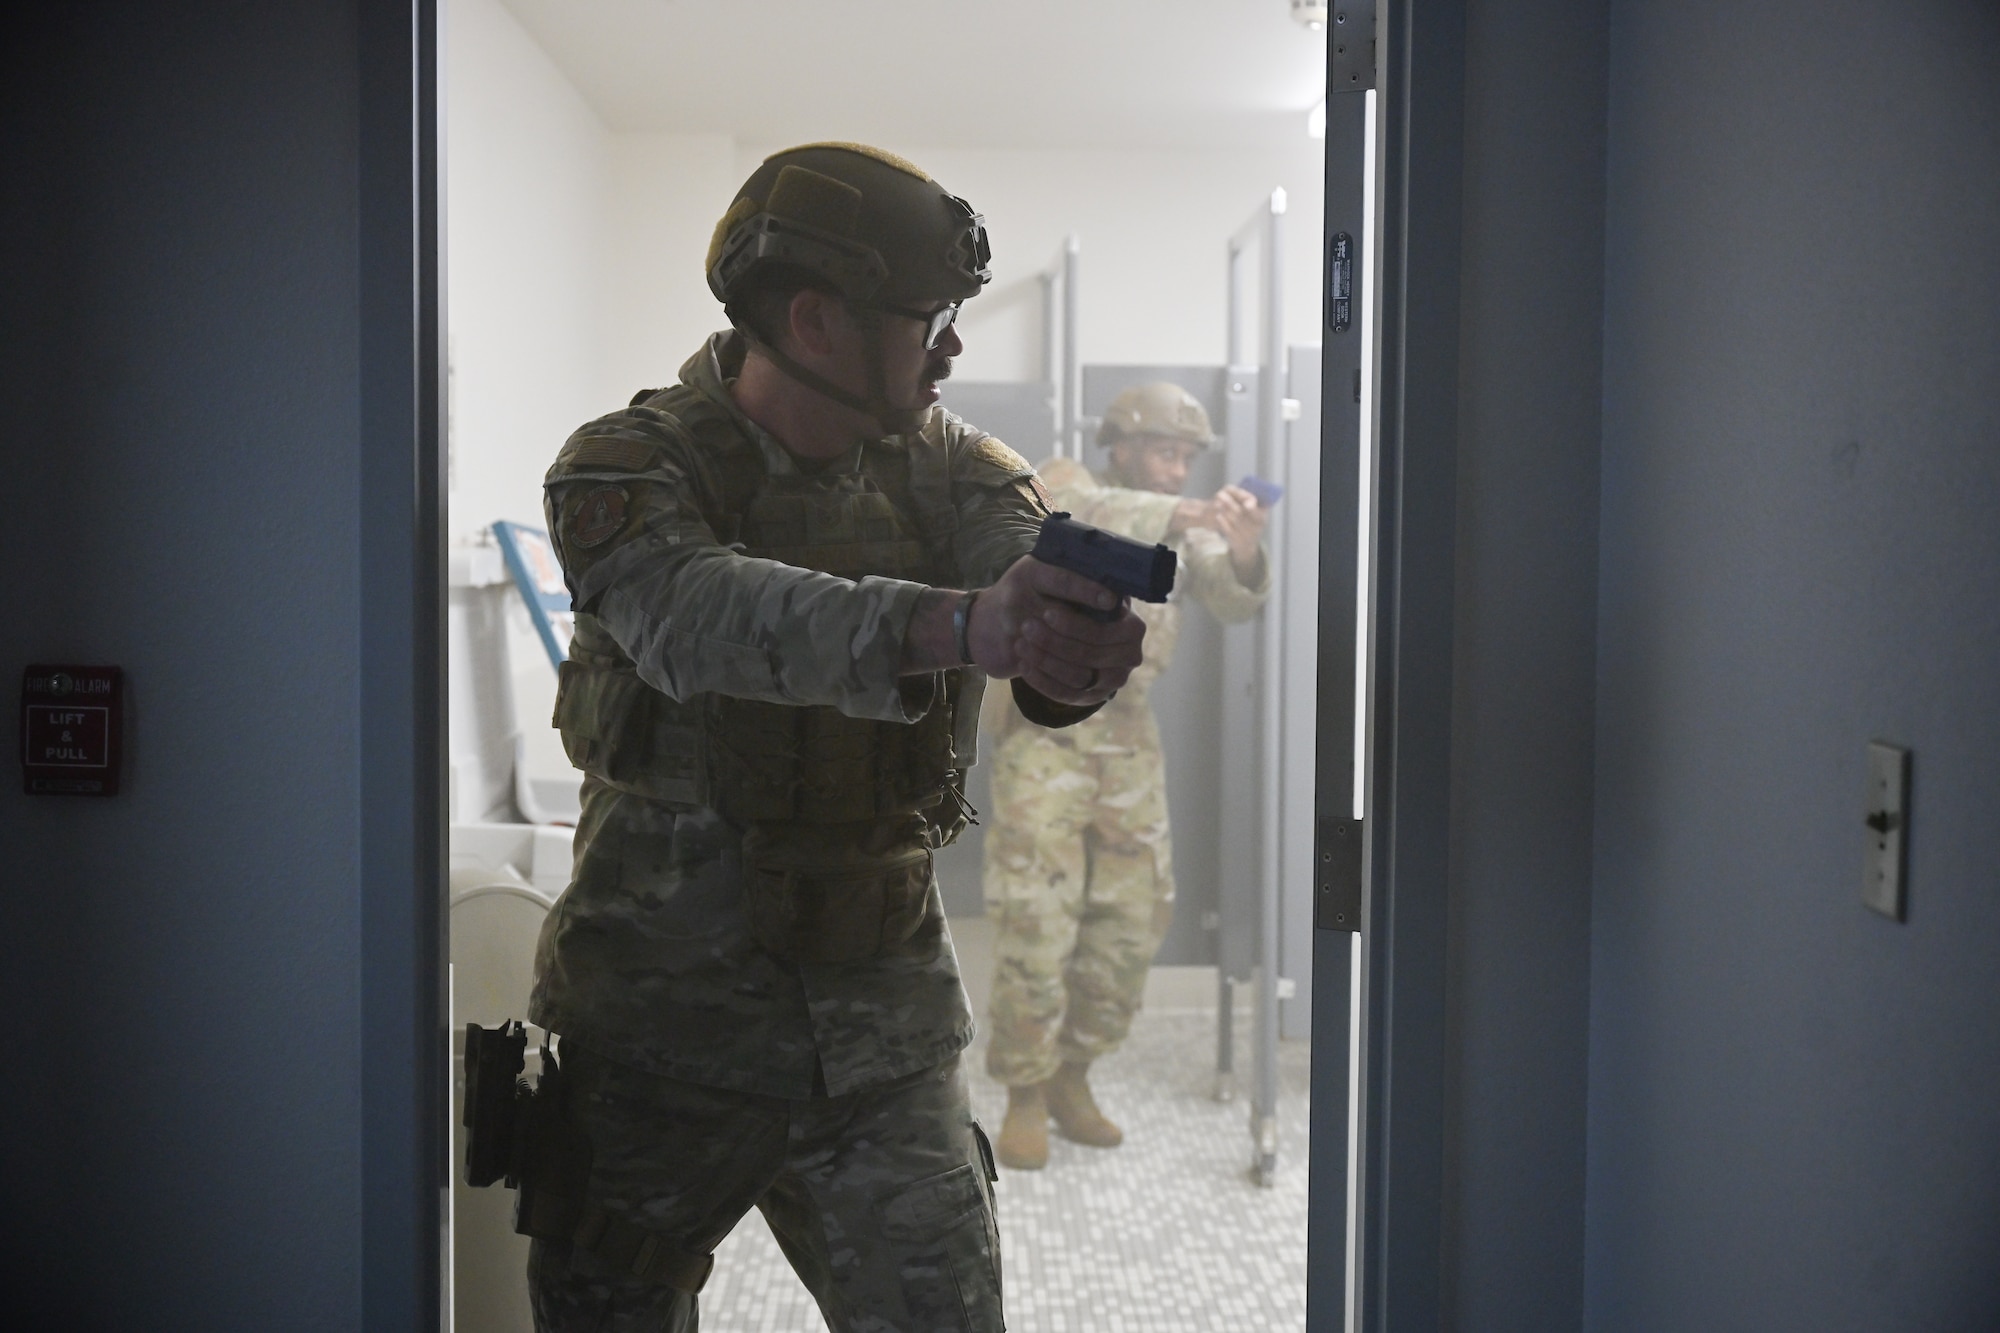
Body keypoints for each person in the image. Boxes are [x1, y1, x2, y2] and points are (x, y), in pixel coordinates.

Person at [523, 142, 1147, 1331]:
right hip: (656, 1036)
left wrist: (1064, 645)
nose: (954, 348)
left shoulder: (959, 469)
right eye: (931, 318)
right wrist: (962, 625)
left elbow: (1017, 579)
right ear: (814, 321)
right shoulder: (627, 464)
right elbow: (699, 616)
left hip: (881, 1033)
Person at [982, 381, 1271, 1171]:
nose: (1178, 468)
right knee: (1036, 920)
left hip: (1129, 740)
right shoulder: (1069, 482)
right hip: (1047, 730)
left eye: (1187, 456)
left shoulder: (1191, 528)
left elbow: (1233, 598)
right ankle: (1025, 1095)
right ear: (1123, 443)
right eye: (1165, 450)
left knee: (1127, 919)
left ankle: (1074, 1075)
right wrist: (1184, 514)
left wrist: (1241, 544)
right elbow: (1074, 517)